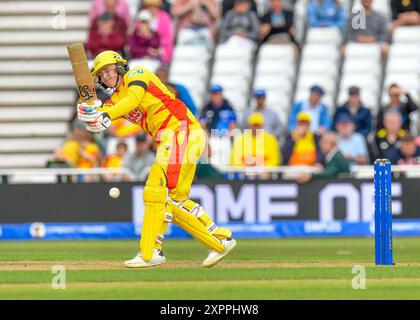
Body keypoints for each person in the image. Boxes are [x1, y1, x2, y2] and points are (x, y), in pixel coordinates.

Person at [76, 50, 236, 268]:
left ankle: (150, 253)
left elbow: (132, 100)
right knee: (172, 200)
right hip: (174, 140)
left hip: (181, 132)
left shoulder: (138, 75)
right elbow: (100, 118)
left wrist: (106, 114)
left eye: (109, 69)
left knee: (155, 189)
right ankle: (220, 238)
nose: (106, 76)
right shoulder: (115, 100)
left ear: (121, 66)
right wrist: (88, 113)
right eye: (101, 74)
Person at [231, 112, 281, 179]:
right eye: (253, 125)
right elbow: (235, 161)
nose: (255, 128)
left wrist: (262, 168)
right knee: (249, 174)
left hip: (264, 172)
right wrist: (246, 169)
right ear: (249, 126)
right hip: (245, 173)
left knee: (263, 175)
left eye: (258, 125)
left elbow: (274, 160)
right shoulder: (240, 140)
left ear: (262, 126)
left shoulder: (270, 139)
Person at [142, 0, 174, 65]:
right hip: (145, 50)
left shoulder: (165, 17)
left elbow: (168, 37)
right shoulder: (143, 17)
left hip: (160, 49)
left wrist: (157, 49)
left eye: (154, 7)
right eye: (149, 6)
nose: (152, 9)